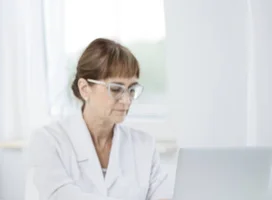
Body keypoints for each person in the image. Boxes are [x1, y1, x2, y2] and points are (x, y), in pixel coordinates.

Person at [28, 38, 172, 200]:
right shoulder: (49, 141)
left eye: (132, 89)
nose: (127, 100)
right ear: (84, 89)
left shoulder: (144, 145)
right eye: (116, 89)